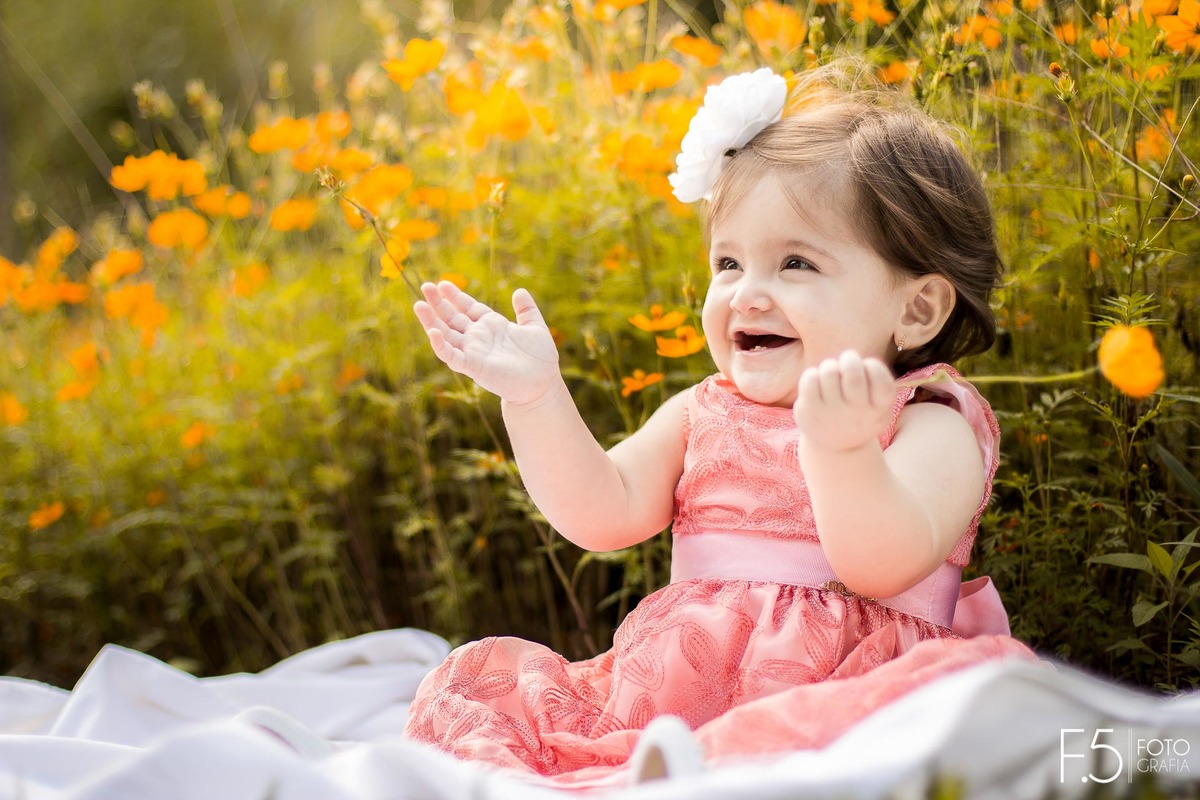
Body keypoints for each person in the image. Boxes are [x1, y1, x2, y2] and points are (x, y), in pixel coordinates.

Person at [402, 62, 1038, 787]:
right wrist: (536, 397)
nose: (747, 295)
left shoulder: (929, 421)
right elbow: (600, 512)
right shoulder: (702, 411)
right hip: (673, 706)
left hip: (848, 702)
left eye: (795, 263)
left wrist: (842, 450)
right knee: (495, 710)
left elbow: (882, 564)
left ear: (917, 309)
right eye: (728, 262)